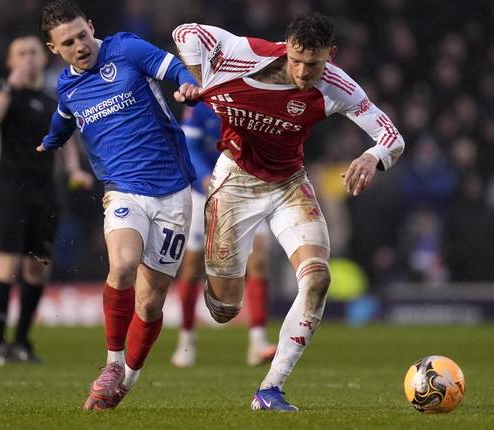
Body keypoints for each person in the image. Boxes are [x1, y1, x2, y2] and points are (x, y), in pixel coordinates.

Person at [173, 14, 405, 411]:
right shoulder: (243, 54)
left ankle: (270, 388)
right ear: (286, 48)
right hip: (234, 180)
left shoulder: (336, 85)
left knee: (317, 278)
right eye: (296, 60)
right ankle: (218, 291)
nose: (302, 72)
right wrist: (199, 78)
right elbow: (185, 32)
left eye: (313, 64)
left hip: (288, 184)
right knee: (225, 309)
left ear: (330, 55)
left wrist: (373, 156)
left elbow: (391, 136)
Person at [38, 0, 200, 410]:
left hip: (173, 191)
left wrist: (187, 84)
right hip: (123, 190)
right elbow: (63, 118)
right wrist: (52, 140)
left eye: (82, 35)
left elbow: (172, 67)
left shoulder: (126, 48)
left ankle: (127, 378)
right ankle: (112, 364)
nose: (79, 46)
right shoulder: (67, 86)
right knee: (123, 265)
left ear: (91, 27)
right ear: (54, 48)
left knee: (150, 302)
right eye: (68, 43)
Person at [0, 35, 93, 366]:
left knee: (38, 267)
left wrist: (74, 170)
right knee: (7, 264)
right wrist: (9, 87)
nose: (27, 58)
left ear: (43, 58)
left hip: (45, 190)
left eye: (32, 52)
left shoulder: (53, 99)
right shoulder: (2, 94)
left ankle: (22, 341)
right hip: (9, 189)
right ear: (10, 62)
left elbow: (65, 139)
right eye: (20, 53)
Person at [171, 102, 276, 368]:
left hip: (246, 189)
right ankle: (186, 339)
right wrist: (206, 177)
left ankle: (258, 341)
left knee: (258, 260)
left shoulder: (250, 97)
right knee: (192, 265)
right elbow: (189, 146)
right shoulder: (201, 105)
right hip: (204, 193)